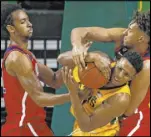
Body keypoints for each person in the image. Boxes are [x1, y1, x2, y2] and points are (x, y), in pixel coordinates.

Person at [70, 10, 150, 136]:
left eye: (129, 30)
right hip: (110, 106)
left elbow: (128, 111)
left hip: (134, 119)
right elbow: (81, 31)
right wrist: (78, 47)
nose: (125, 32)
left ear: (140, 38)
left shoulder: (146, 66)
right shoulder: (125, 37)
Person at [1, 4, 70, 136]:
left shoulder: (27, 55)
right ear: (11, 28)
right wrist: (72, 96)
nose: (29, 24)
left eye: (28, 20)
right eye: (23, 22)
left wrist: (76, 59)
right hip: (24, 126)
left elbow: (55, 80)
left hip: (32, 124)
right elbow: (39, 98)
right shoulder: (17, 58)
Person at [60, 50, 143, 136]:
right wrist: (90, 56)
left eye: (126, 74)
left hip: (98, 132)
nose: (119, 76)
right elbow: (61, 59)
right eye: (120, 69)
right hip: (81, 123)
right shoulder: (101, 62)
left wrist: (73, 93)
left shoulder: (120, 98)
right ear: (117, 61)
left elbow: (86, 126)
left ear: (132, 78)